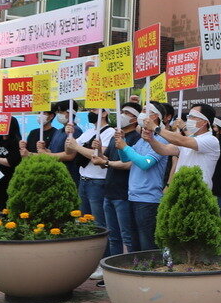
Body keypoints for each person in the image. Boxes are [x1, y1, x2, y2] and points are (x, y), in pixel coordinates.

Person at [100, 103, 148, 261]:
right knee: (113, 236)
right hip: (109, 192)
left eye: (126, 113)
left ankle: (130, 267)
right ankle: (115, 268)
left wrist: (108, 163)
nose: (122, 115)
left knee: (128, 236)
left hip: (124, 193)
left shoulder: (136, 138)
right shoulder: (118, 136)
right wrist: (99, 150)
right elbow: (105, 158)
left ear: (135, 119)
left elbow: (129, 164)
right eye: (122, 111)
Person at [125, 103, 173, 251]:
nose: (142, 114)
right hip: (133, 196)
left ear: (155, 116)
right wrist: (121, 144)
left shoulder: (162, 140)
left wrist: (124, 147)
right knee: (134, 243)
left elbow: (145, 163)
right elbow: (125, 158)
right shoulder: (141, 139)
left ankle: (151, 271)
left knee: (148, 244)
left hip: (148, 198)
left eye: (147, 111)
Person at [144, 103, 221, 187]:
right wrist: (151, 140)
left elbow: (179, 140)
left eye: (193, 117)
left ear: (204, 122)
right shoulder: (189, 139)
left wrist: (155, 128)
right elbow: (164, 149)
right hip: (180, 191)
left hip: (198, 193)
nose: (189, 119)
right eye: (189, 116)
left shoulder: (211, 140)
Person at [69, 109, 115, 223]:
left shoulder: (110, 132)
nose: (91, 112)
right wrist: (69, 135)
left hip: (98, 182)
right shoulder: (88, 132)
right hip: (83, 179)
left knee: (98, 221)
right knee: (83, 220)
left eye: (94, 109)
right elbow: (70, 148)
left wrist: (77, 147)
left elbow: (98, 156)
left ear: (104, 113)